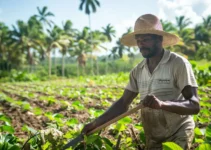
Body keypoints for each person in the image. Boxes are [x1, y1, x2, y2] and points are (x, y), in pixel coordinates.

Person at [82, 14, 200, 150]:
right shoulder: (137, 71)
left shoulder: (178, 64)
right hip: (154, 137)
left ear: (159, 39)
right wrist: (96, 123)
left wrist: (162, 104)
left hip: (178, 134)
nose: (141, 44)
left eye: (146, 39)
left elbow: (194, 105)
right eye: (138, 40)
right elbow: (123, 103)